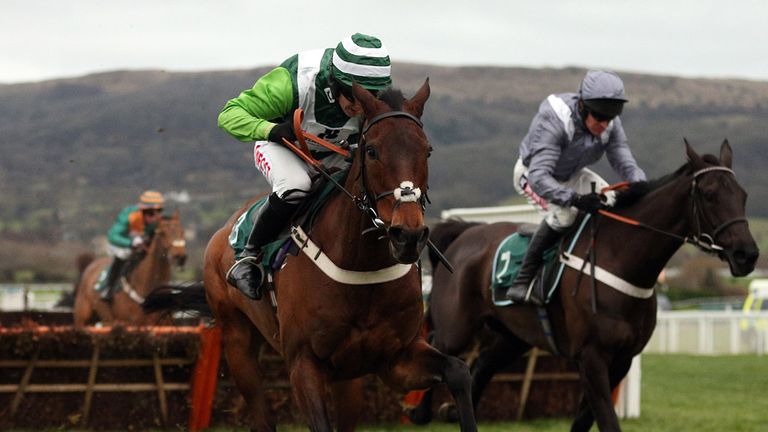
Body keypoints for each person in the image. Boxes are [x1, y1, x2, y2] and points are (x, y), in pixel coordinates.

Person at [217, 33, 392, 300]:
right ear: (336, 82)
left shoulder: (375, 95)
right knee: (297, 187)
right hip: (283, 146)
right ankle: (248, 255)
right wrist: (270, 129)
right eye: (353, 98)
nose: (359, 108)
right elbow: (229, 114)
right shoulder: (293, 82)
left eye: (368, 98)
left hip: (338, 153)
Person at [506, 70, 647, 305]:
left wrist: (642, 186)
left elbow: (625, 162)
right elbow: (540, 177)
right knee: (565, 215)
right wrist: (575, 199)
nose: (604, 124)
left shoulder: (610, 123)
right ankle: (522, 281)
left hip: (571, 175)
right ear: (582, 106)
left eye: (609, 119)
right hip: (532, 175)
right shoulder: (555, 119)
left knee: (610, 201)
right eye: (599, 117)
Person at [98, 190, 165, 301]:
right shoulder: (129, 216)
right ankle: (108, 287)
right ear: (143, 211)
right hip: (121, 243)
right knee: (124, 255)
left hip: (140, 245)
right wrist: (130, 242)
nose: (155, 217)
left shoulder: (156, 221)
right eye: (151, 213)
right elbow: (112, 235)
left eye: (158, 212)